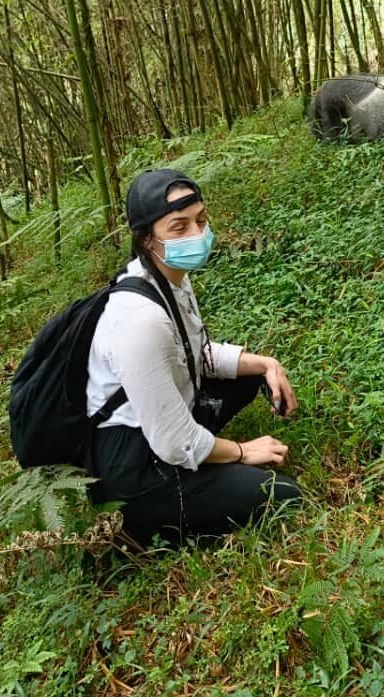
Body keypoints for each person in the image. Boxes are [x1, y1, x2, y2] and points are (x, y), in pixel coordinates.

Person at [87, 168, 301, 546]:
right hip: (135, 466)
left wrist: (266, 364)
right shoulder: (140, 320)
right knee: (280, 495)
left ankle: (204, 477)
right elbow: (173, 442)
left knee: (247, 375)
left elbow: (192, 353)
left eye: (201, 220)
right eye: (179, 227)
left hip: (161, 428)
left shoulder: (169, 279)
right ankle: (145, 526)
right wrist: (241, 451)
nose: (198, 234)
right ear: (146, 238)